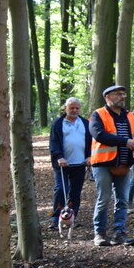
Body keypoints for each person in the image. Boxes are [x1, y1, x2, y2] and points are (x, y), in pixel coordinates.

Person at [89, 85, 134, 247]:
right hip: (103, 163)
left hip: (124, 164)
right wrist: (124, 142)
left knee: (122, 200)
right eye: (118, 94)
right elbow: (99, 135)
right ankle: (100, 233)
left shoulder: (130, 116)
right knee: (103, 198)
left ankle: (119, 233)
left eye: (123, 94)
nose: (122, 97)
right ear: (108, 97)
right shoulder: (98, 114)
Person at [49, 97, 91, 230]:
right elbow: (53, 143)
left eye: (77, 108)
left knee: (75, 192)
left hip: (79, 164)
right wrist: (59, 157)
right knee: (61, 189)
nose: (75, 110)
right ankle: (56, 218)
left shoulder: (85, 123)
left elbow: (91, 142)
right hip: (62, 165)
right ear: (65, 108)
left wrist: (90, 156)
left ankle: (72, 217)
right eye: (72, 108)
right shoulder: (58, 123)